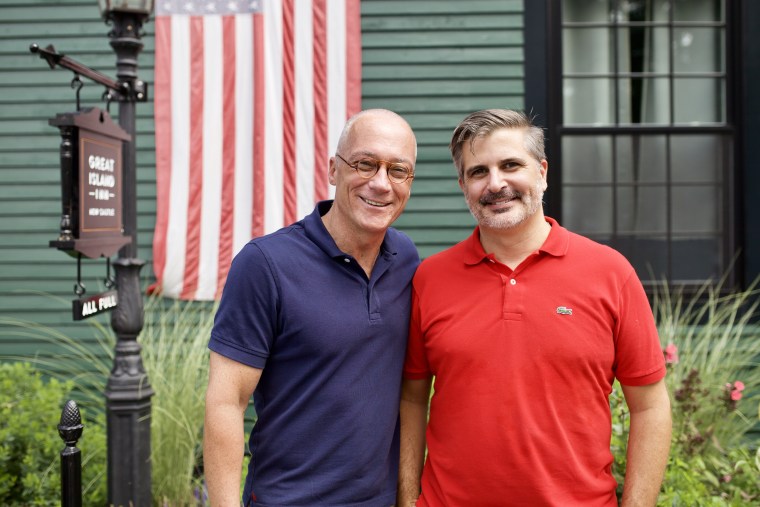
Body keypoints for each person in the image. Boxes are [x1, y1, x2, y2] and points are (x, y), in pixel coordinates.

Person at [397, 109, 671, 506]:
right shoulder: (430, 279)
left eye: (511, 165)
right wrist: (407, 500)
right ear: (463, 185)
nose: (496, 183)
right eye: (478, 172)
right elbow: (411, 398)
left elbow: (649, 406)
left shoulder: (610, 273)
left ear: (541, 172)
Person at [204, 108, 420, 506]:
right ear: (333, 169)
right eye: (365, 164)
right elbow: (225, 402)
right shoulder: (265, 264)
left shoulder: (405, 258)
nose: (380, 183)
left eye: (397, 170)